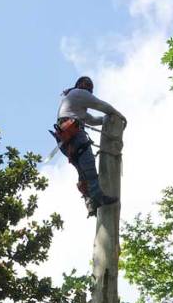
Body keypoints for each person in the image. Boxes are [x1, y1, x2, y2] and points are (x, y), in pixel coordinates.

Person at [53, 76, 126, 216]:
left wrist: (108, 120)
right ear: (80, 85)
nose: (89, 90)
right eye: (88, 86)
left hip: (64, 139)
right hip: (73, 133)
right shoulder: (78, 93)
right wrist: (119, 115)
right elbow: (101, 105)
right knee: (89, 168)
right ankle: (99, 197)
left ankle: (90, 203)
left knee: (83, 173)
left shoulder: (73, 105)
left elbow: (92, 120)